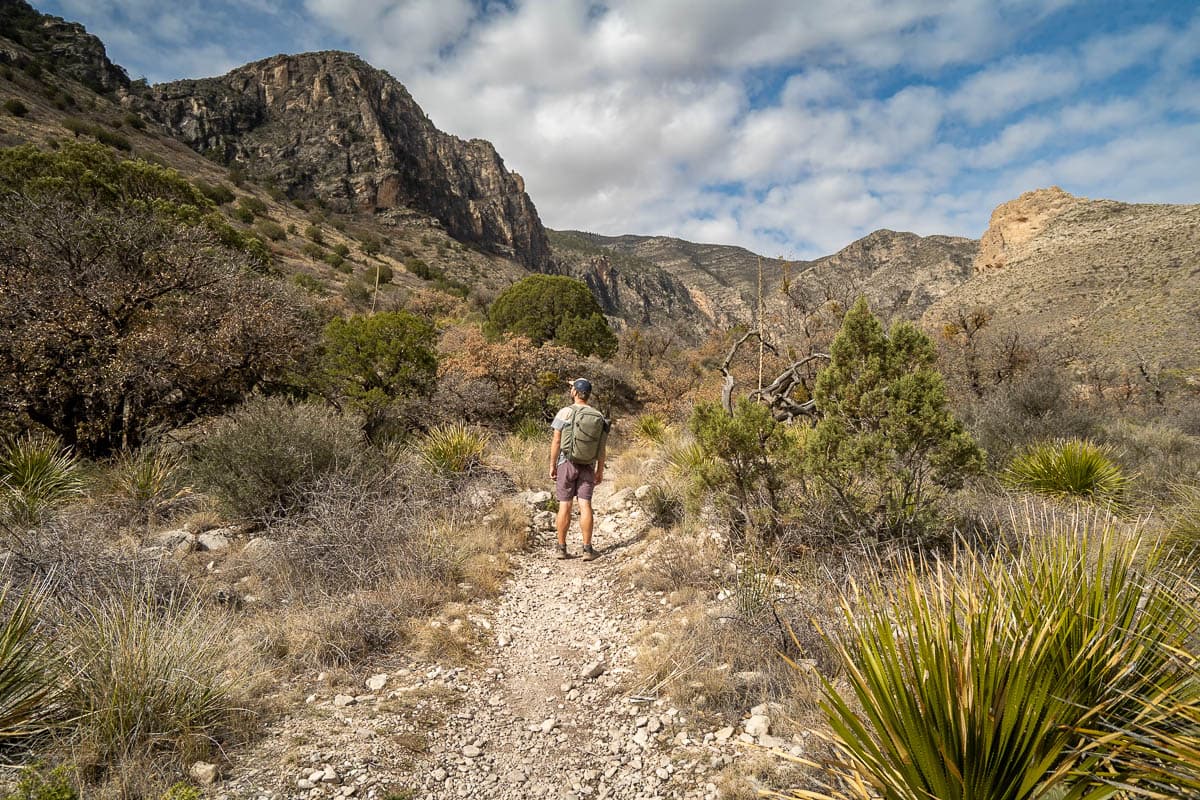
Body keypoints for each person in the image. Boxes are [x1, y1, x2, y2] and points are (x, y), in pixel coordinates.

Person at [549, 378, 608, 560]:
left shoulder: (565, 412)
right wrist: (599, 470)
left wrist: (552, 465)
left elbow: (557, 441)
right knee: (585, 504)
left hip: (566, 463)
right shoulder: (598, 416)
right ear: (588, 394)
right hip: (588, 465)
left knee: (565, 504)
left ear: (574, 392)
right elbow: (601, 447)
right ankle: (587, 549)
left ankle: (561, 548)